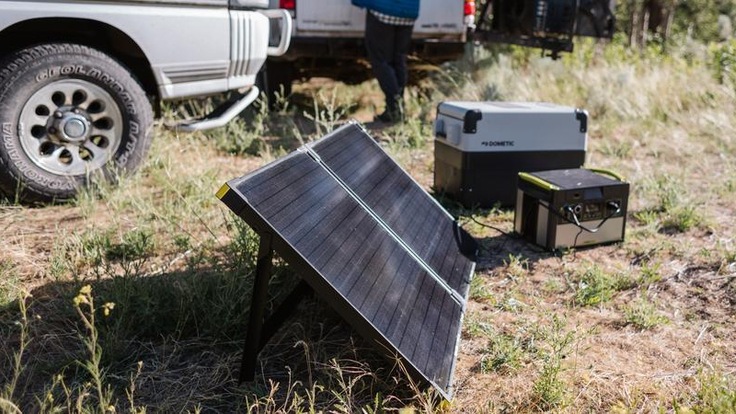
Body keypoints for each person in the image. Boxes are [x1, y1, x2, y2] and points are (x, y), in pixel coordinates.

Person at [352, 0, 420, 123]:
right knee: (399, 60)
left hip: (382, 11)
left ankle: (394, 107)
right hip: (409, 12)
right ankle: (397, 107)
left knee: (381, 60)